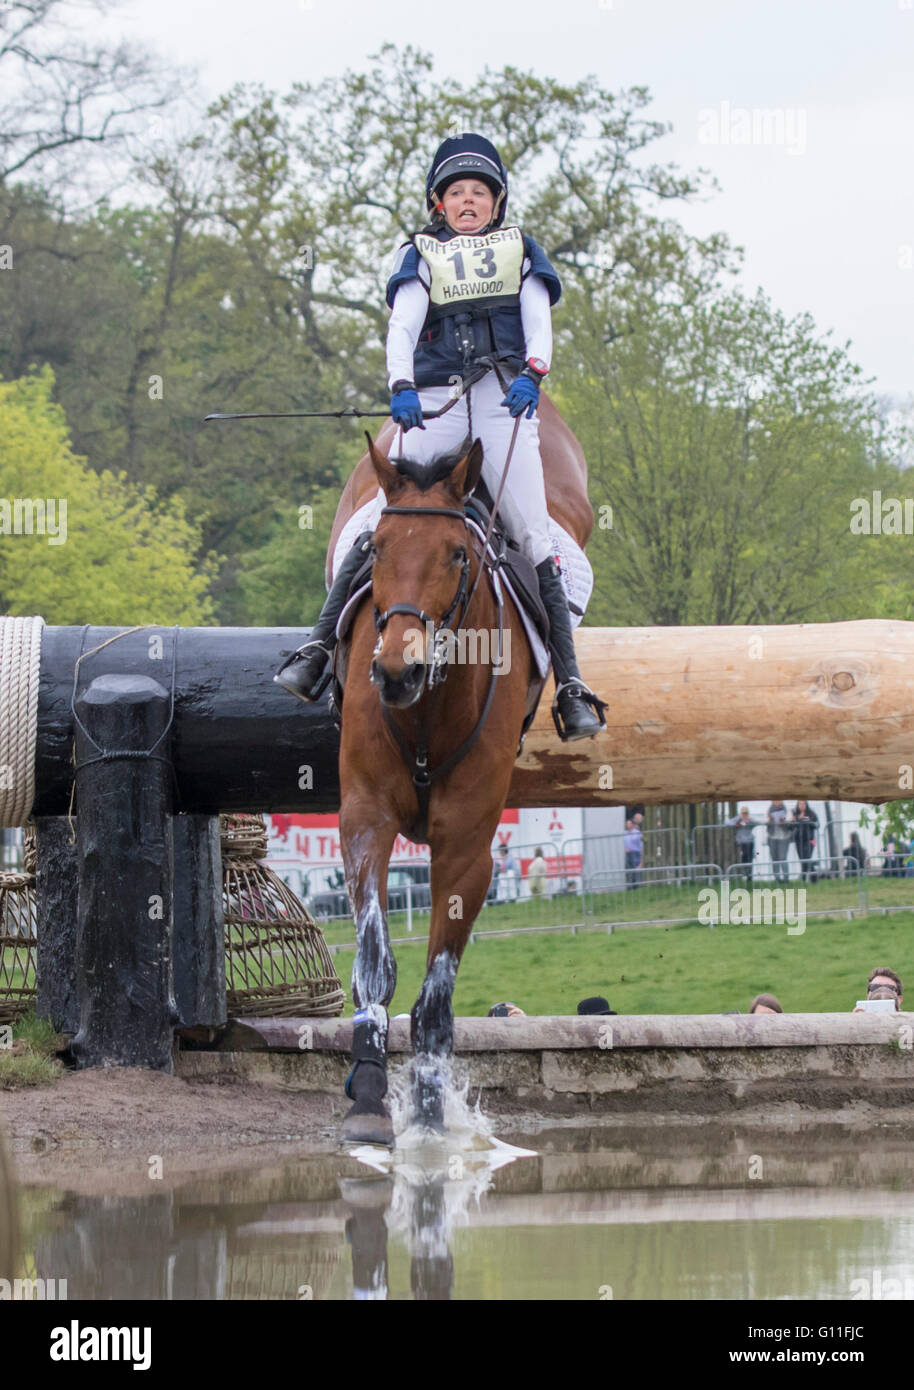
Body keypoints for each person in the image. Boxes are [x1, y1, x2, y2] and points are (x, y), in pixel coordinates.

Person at [274, 133, 606, 742]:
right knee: (384, 515)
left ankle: (572, 684)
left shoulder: (524, 251)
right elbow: (403, 324)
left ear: (496, 202)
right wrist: (400, 384)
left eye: (479, 192)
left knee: (534, 531)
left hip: (504, 394)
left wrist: (534, 374)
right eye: (458, 193)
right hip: (436, 397)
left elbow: (539, 321)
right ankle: (319, 647)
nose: (469, 201)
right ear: (440, 204)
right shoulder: (421, 255)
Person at [727, 806, 759, 882]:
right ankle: (743, 873)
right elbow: (727, 822)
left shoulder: (750, 820)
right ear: (741, 813)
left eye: (746, 813)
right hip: (740, 843)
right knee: (742, 858)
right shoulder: (737, 819)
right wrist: (736, 824)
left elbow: (760, 822)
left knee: (750, 858)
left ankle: (749, 876)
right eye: (743, 813)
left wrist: (751, 821)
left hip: (750, 842)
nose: (745, 815)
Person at [766, 801, 793, 884]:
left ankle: (786, 878)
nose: (777, 802)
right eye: (775, 800)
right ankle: (777, 878)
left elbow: (789, 819)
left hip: (784, 837)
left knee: (782, 858)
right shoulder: (769, 810)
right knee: (774, 858)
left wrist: (783, 819)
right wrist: (770, 819)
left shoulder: (786, 809)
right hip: (772, 837)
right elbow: (765, 820)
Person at [792, 800, 818, 883]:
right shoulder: (795, 814)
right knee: (802, 860)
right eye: (800, 804)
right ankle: (804, 880)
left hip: (810, 840)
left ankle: (813, 878)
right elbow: (790, 825)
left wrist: (806, 819)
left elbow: (816, 824)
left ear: (806, 805)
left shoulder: (811, 813)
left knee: (807, 858)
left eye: (803, 804)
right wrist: (797, 820)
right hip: (798, 840)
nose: (801, 805)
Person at [624, 817, 643, 888]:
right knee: (629, 869)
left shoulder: (637, 833)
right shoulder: (624, 833)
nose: (628, 825)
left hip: (635, 853)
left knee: (636, 869)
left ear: (632, 824)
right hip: (627, 854)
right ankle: (630, 886)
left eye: (629, 823)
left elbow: (640, 843)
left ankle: (638, 885)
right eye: (627, 824)